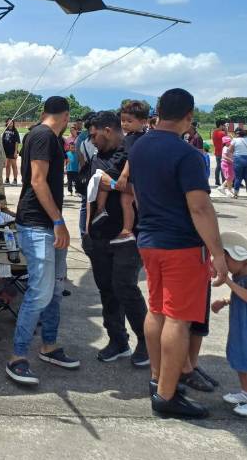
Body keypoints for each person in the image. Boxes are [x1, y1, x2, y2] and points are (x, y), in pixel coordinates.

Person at [128, 88, 228, 419]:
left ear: (157, 111)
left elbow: (137, 195)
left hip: (149, 240)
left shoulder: (139, 146)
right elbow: (199, 207)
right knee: (178, 318)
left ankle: (159, 378)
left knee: (156, 309)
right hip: (181, 245)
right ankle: (167, 396)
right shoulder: (187, 154)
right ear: (188, 115)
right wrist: (217, 253)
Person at [6, 96, 80, 386]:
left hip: (48, 225)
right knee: (39, 291)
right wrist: (59, 221)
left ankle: (48, 345)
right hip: (39, 224)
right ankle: (17, 356)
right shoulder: (42, 135)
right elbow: (38, 181)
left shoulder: (47, 136)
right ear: (65, 116)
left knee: (55, 288)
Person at [83, 112, 148, 367]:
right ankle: (118, 340)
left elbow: (146, 188)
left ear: (108, 130)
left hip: (128, 236)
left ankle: (145, 340)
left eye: (94, 135)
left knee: (126, 287)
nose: (92, 140)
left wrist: (114, 184)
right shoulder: (97, 157)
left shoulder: (135, 151)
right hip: (99, 235)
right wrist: (87, 231)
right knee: (107, 290)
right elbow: (88, 193)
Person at [211, 231, 247, 416]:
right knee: (240, 359)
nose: (225, 266)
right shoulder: (239, 275)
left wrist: (227, 282)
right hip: (240, 325)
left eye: (227, 261)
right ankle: (245, 393)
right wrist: (225, 301)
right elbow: (239, 296)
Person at [2, 119, 20, 185]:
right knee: (7, 165)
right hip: (5, 151)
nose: (10, 122)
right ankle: (7, 179)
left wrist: (15, 151)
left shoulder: (15, 131)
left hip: (12, 151)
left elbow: (17, 142)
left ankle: (15, 180)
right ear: (7, 122)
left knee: (14, 165)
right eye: (9, 121)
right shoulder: (5, 130)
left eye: (11, 121)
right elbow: (2, 141)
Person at [231, 128, 247, 198]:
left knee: (238, 177)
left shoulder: (234, 140)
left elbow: (230, 150)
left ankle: (235, 194)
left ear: (237, 134)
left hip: (238, 159)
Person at [212, 120, 228, 187]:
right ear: (221, 125)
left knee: (218, 167)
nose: (224, 127)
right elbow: (227, 140)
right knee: (223, 167)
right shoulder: (222, 133)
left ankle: (217, 181)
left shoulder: (214, 132)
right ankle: (224, 182)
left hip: (217, 151)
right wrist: (226, 130)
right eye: (224, 125)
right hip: (222, 152)